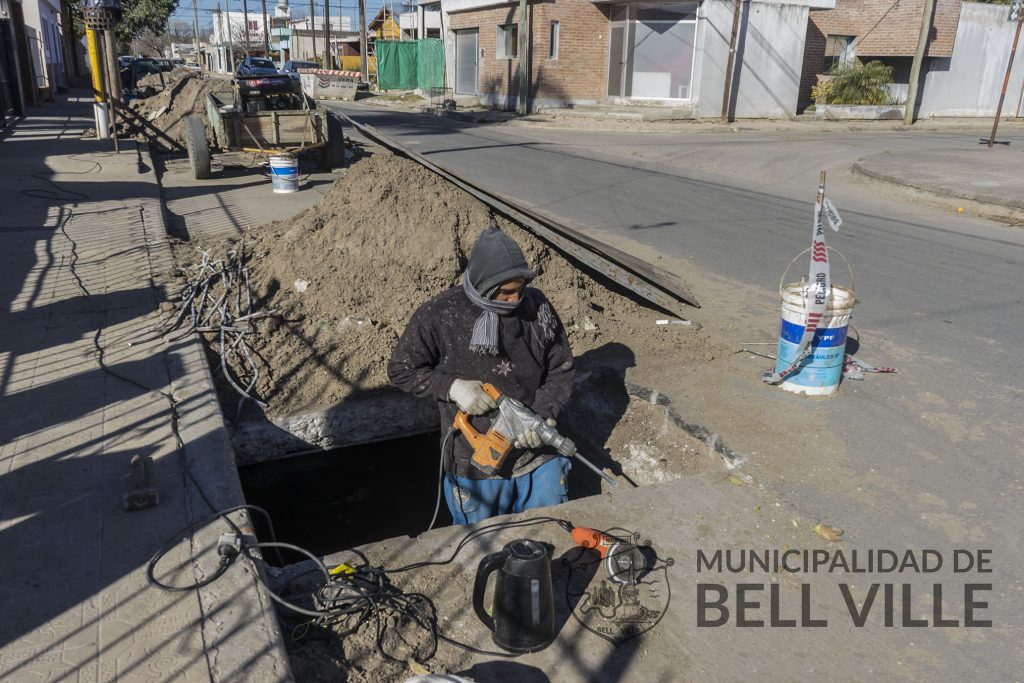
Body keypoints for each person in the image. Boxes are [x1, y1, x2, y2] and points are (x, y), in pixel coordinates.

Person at [387, 227, 575, 525]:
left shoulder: (537, 309)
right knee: (480, 548)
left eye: (520, 289)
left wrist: (542, 417)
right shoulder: (440, 315)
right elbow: (401, 369)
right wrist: (453, 387)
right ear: (484, 286)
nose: (515, 300)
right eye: (506, 292)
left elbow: (560, 371)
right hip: (475, 467)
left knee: (548, 534)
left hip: (538, 460)